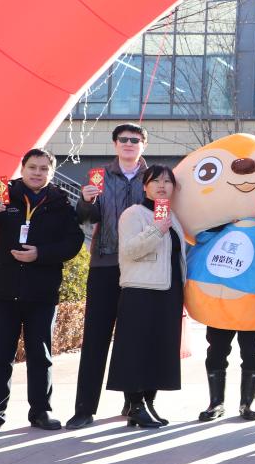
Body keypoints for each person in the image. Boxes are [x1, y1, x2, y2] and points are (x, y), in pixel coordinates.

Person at [0, 149, 84, 436]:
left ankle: (41, 411)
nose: (37, 173)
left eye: (43, 168)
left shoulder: (61, 203)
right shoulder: (4, 195)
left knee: (41, 356)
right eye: (32, 167)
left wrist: (40, 253)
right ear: (23, 168)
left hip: (41, 291)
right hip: (3, 290)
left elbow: (73, 243)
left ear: (51, 172)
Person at [67, 123, 148, 430]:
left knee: (135, 337)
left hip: (141, 267)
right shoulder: (98, 176)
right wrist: (86, 201)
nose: (129, 143)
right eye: (123, 139)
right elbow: (87, 219)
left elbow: (164, 215)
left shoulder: (154, 178)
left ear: (143, 145)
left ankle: (136, 403)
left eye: (135, 140)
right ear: (115, 144)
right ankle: (84, 408)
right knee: (96, 338)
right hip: (105, 264)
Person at [107, 165, 186, 428]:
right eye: (155, 181)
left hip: (169, 291)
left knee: (160, 348)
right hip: (140, 289)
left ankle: (148, 403)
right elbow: (129, 251)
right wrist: (156, 230)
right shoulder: (134, 213)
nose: (162, 186)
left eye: (167, 181)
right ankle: (135, 405)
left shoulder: (173, 217)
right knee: (135, 348)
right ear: (144, 186)